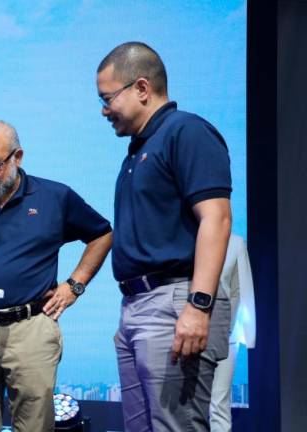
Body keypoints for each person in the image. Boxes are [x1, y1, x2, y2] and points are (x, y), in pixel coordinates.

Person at [0, 120, 113, 432]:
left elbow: (102, 234)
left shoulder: (54, 197)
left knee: (34, 426)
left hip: (31, 328)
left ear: (18, 157)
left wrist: (74, 285)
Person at [96, 41, 233, 431]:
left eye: (108, 99)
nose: (104, 110)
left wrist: (198, 306)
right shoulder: (139, 148)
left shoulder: (187, 132)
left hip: (176, 303)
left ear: (141, 88)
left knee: (176, 426)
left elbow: (217, 218)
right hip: (139, 307)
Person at [209, 233, 256, 432]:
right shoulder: (181, 237)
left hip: (226, 336)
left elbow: (242, 290)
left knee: (219, 404)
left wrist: (245, 333)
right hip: (185, 334)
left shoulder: (235, 243)